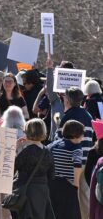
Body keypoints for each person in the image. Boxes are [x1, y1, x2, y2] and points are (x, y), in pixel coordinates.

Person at [55, 87, 94, 219]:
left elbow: (59, 140)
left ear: (68, 99)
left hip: (71, 162)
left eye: (64, 97)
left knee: (72, 196)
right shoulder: (88, 115)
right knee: (84, 195)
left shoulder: (68, 116)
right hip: (86, 160)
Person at [13, 118, 55, 219]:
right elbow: (52, 175)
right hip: (42, 192)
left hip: (26, 191)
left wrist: (15, 149)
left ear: (27, 132)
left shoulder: (26, 152)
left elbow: (11, 169)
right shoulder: (47, 151)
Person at [48, 120, 86, 219]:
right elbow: (77, 164)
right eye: (82, 134)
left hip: (52, 183)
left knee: (54, 213)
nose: (83, 137)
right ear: (75, 134)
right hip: (67, 185)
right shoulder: (76, 148)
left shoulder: (54, 144)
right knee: (70, 214)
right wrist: (76, 185)